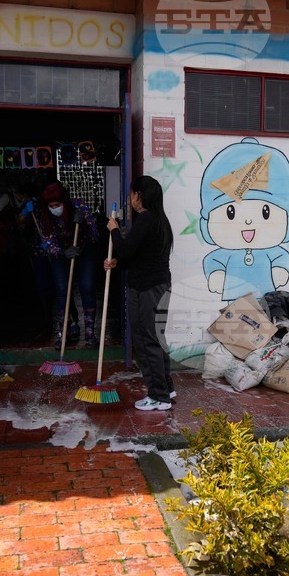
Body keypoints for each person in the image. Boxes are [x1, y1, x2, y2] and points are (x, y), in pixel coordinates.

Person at [104, 175, 174, 411]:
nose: (130, 197)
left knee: (146, 340)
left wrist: (114, 230)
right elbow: (141, 255)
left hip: (147, 289)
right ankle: (167, 387)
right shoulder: (159, 220)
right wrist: (118, 264)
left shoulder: (146, 220)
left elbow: (124, 249)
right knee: (156, 338)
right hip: (158, 286)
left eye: (132, 193)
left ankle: (159, 396)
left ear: (138, 196)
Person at [38, 181, 100, 349]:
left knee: (86, 286)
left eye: (57, 205)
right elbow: (48, 243)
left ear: (64, 201)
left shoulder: (79, 206)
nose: (54, 208)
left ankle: (90, 333)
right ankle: (64, 332)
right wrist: (62, 252)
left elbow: (95, 234)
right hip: (62, 253)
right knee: (62, 289)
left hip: (85, 250)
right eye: (51, 205)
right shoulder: (46, 217)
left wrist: (84, 227)